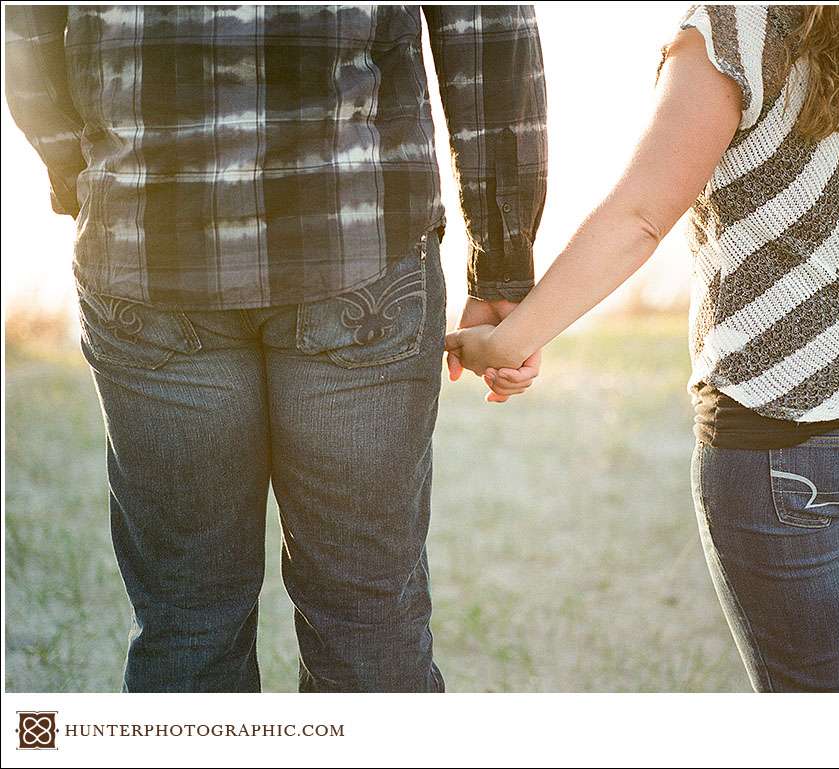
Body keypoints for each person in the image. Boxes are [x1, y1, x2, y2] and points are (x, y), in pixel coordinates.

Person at [4, 4, 546, 692]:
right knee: (366, 614)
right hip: (359, 245)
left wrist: (85, 178)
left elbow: (24, 31)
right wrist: (501, 260)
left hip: (149, 251)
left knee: (187, 618)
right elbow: (487, 28)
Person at [446, 4, 839, 692]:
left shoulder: (734, 28)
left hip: (783, 438)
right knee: (817, 676)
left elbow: (641, 216)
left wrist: (507, 339)